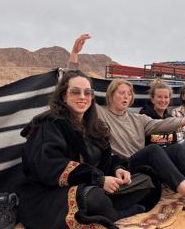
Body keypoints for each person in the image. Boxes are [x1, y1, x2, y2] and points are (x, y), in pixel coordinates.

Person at [69, 34, 185, 212]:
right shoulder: (99, 113)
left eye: (129, 94)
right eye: (121, 93)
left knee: (176, 148)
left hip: (143, 164)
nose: (126, 97)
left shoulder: (137, 118)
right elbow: (73, 86)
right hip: (121, 164)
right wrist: (74, 56)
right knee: (153, 150)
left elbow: (162, 125)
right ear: (111, 94)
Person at [17, 69, 162, 229]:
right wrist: (99, 180)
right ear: (64, 95)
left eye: (87, 93)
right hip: (51, 193)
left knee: (148, 180)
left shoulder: (94, 126)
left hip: (96, 186)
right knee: (93, 197)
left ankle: (107, 209)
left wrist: (118, 169)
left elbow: (105, 161)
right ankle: (117, 215)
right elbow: (50, 166)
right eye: (75, 92)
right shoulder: (52, 124)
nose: (82, 97)